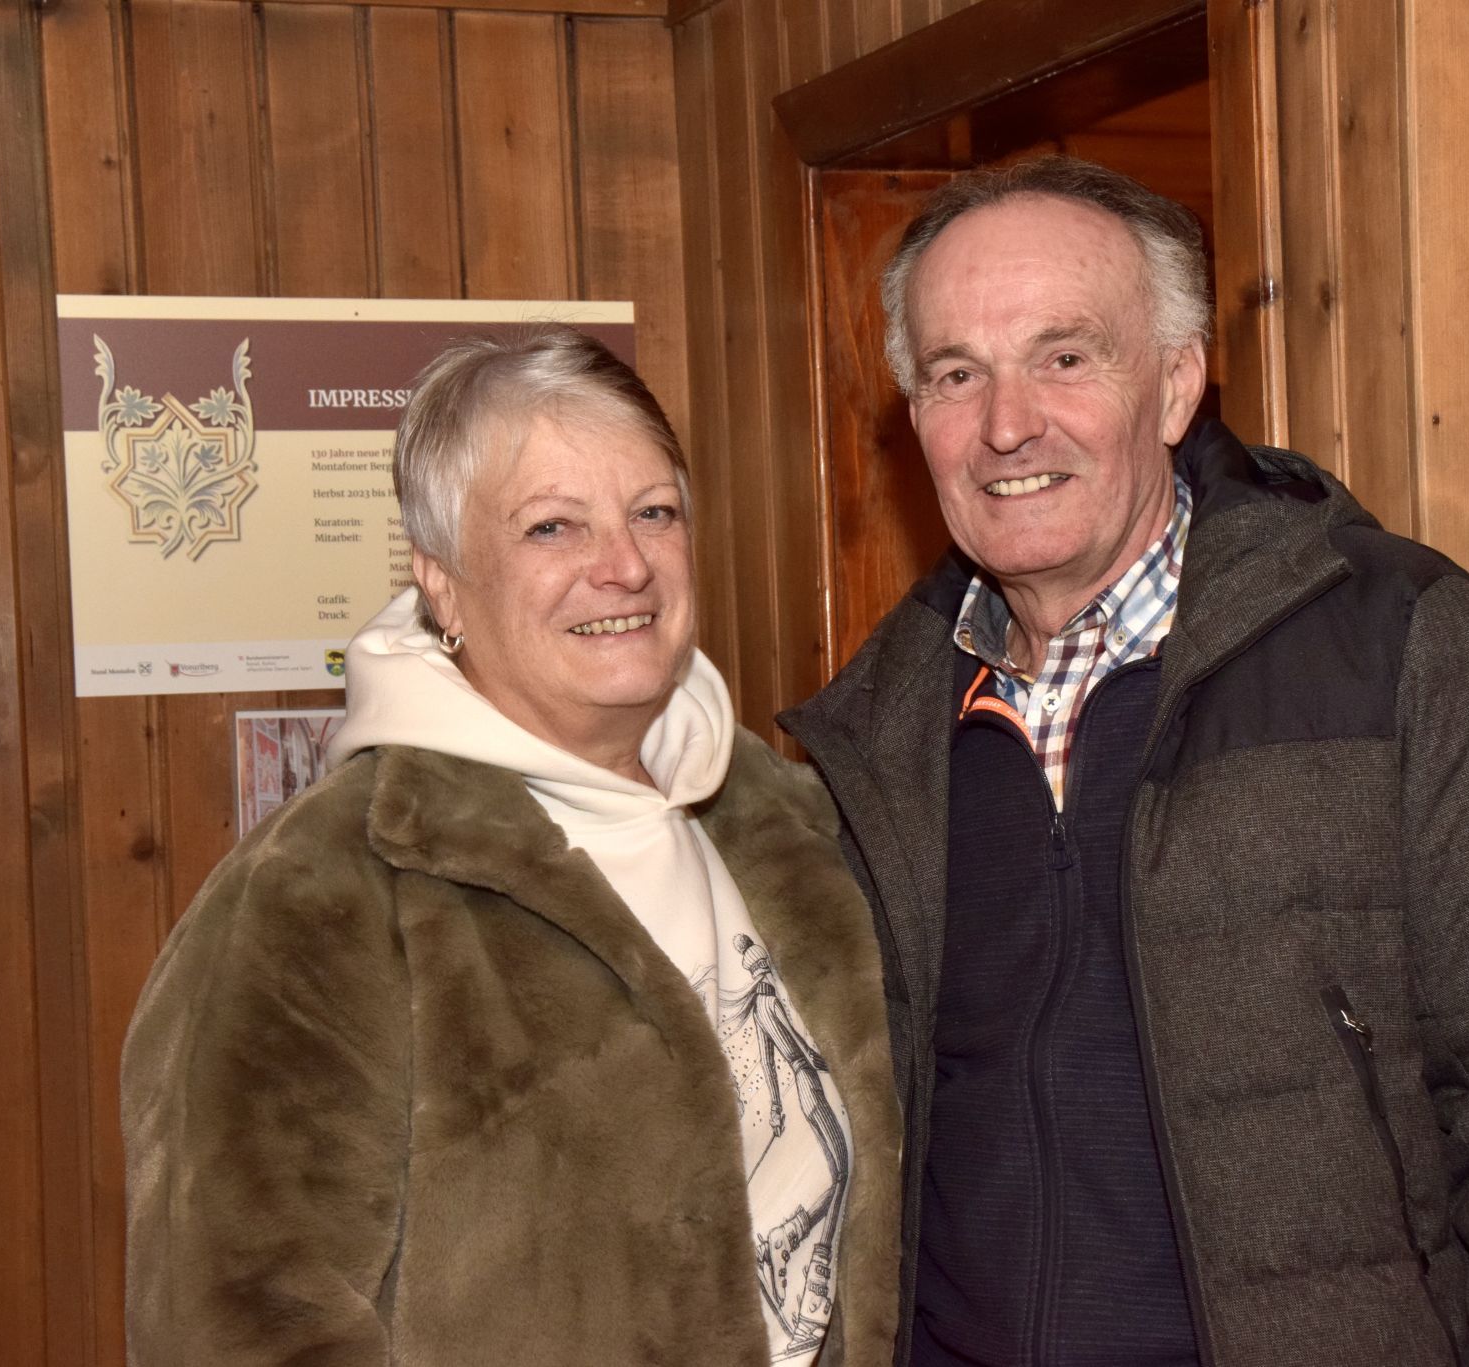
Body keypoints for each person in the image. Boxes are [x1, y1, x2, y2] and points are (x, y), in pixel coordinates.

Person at [780, 156, 1469, 1367]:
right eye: (955, 373)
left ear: (1173, 385)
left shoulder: (1396, 640)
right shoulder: (869, 742)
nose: (1005, 423)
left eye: (1064, 356)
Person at [121, 329, 900, 1366]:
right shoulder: (324, 889)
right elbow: (235, 1321)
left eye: (652, 512)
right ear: (440, 581)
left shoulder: (786, 819)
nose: (621, 565)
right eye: (550, 526)